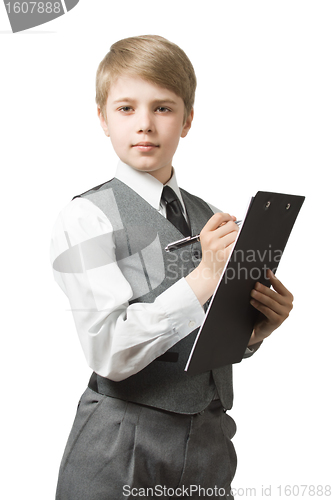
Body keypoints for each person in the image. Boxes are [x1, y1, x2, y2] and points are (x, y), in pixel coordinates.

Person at [50, 35, 294, 499]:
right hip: (120, 447)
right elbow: (109, 353)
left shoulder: (213, 217)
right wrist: (203, 277)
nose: (144, 124)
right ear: (102, 118)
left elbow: (203, 345)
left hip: (208, 444)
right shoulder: (86, 219)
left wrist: (252, 334)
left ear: (187, 120)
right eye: (125, 109)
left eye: (162, 108)